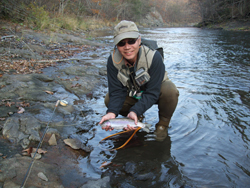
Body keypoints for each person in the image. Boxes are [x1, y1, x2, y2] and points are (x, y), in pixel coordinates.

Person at [99, 20, 179, 141]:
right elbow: (116, 92)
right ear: (116, 45)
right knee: (109, 99)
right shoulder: (113, 61)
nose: (127, 47)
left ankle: (162, 125)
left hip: (155, 92)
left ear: (139, 40)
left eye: (131, 41)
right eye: (121, 43)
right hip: (133, 93)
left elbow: (152, 92)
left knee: (170, 90)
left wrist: (135, 110)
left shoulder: (154, 57)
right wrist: (111, 113)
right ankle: (137, 119)